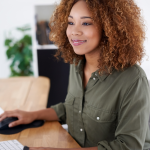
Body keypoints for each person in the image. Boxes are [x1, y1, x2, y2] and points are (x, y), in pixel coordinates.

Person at [0, 0, 150, 150]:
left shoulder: (133, 80)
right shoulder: (77, 63)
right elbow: (74, 109)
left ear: (110, 27)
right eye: (71, 23)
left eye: (86, 23)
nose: (74, 31)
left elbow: (129, 146)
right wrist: (32, 115)